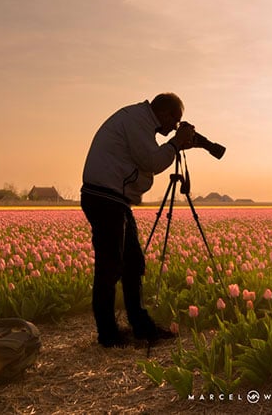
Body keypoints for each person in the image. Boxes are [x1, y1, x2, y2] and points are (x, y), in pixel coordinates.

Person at [80, 93, 196, 348]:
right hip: (104, 197)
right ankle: (108, 335)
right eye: (175, 121)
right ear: (163, 114)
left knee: (132, 263)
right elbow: (151, 162)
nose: (174, 127)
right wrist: (176, 144)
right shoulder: (137, 121)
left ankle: (141, 326)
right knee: (109, 267)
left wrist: (175, 143)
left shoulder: (139, 119)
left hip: (114, 198)